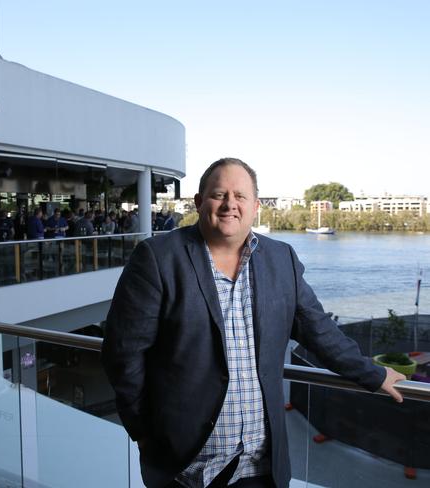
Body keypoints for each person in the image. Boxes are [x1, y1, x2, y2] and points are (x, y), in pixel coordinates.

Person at [101, 157, 405, 488]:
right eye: (219, 194)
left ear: (256, 206)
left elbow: (319, 330)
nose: (230, 204)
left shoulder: (281, 258)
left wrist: (372, 373)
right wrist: (143, 433)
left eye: (240, 196)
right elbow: (123, 353)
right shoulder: (158, 258)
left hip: (260, 466)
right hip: (186, 467)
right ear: (200, 202)